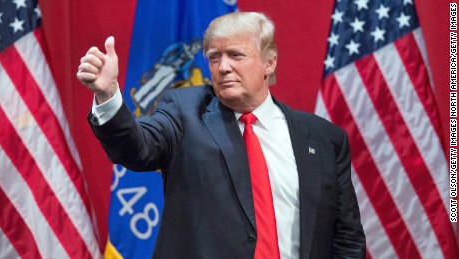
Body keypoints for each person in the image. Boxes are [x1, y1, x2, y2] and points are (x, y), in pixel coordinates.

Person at [77, 12, 366, 259]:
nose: (223, 67)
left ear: (269, 63)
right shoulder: (185, 111)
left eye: (236, 55)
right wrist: (108, 94)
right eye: (214, 57)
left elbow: (347, 238)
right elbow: (137, 149)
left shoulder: (324, 139)